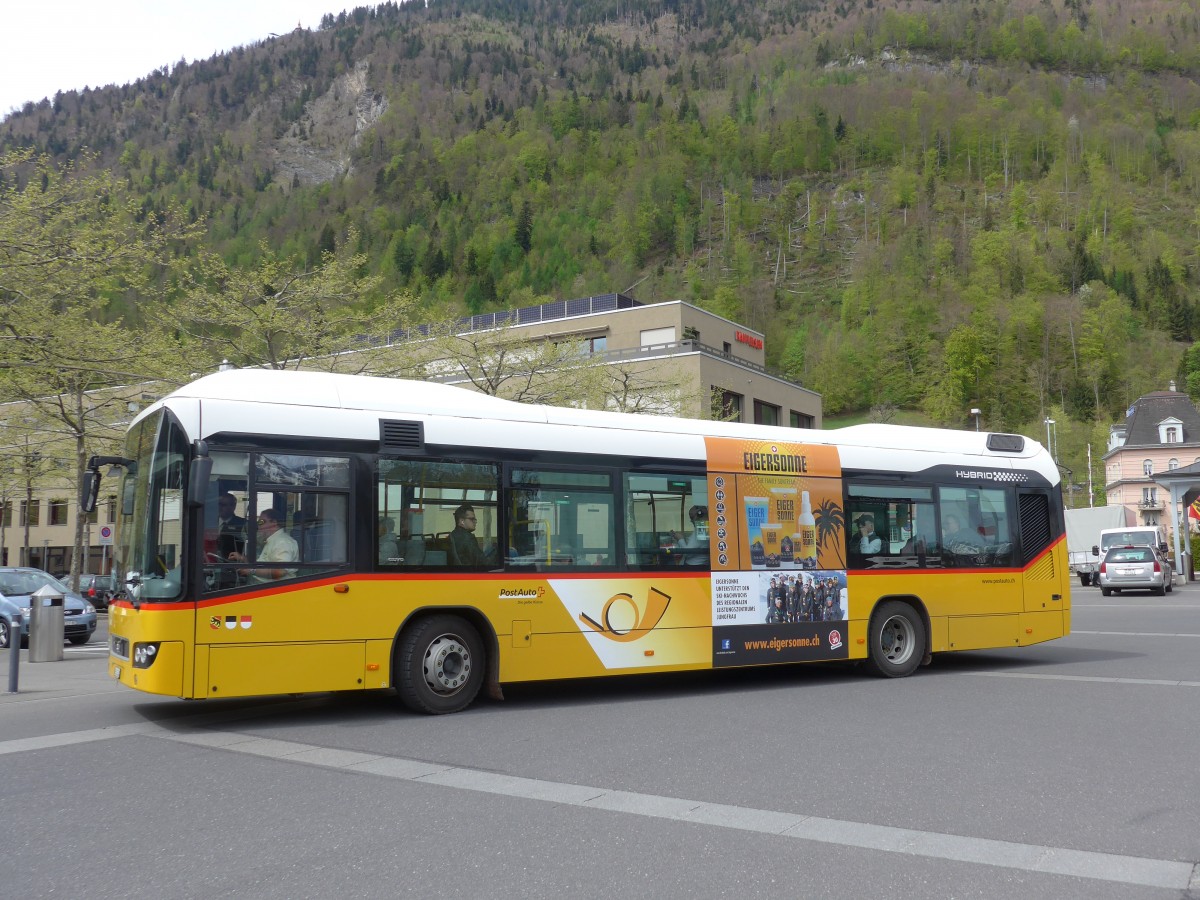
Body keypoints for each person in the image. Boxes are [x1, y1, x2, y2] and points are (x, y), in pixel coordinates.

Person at [230, 507, 298, 582]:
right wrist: (242, 558)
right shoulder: (272, 540)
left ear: (274, 522)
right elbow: (262, 565)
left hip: (275, 590)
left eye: (261, 522)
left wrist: (252, 570)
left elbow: (280, 571)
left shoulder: (283, 542)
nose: (258, 526)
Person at [216, 492, 246, 559]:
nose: (220, 507)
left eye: (224, 505)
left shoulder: (242, 524)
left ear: (233, 506)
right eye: (220, 504)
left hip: (231, 563)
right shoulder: (209, 521)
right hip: (209, 562)